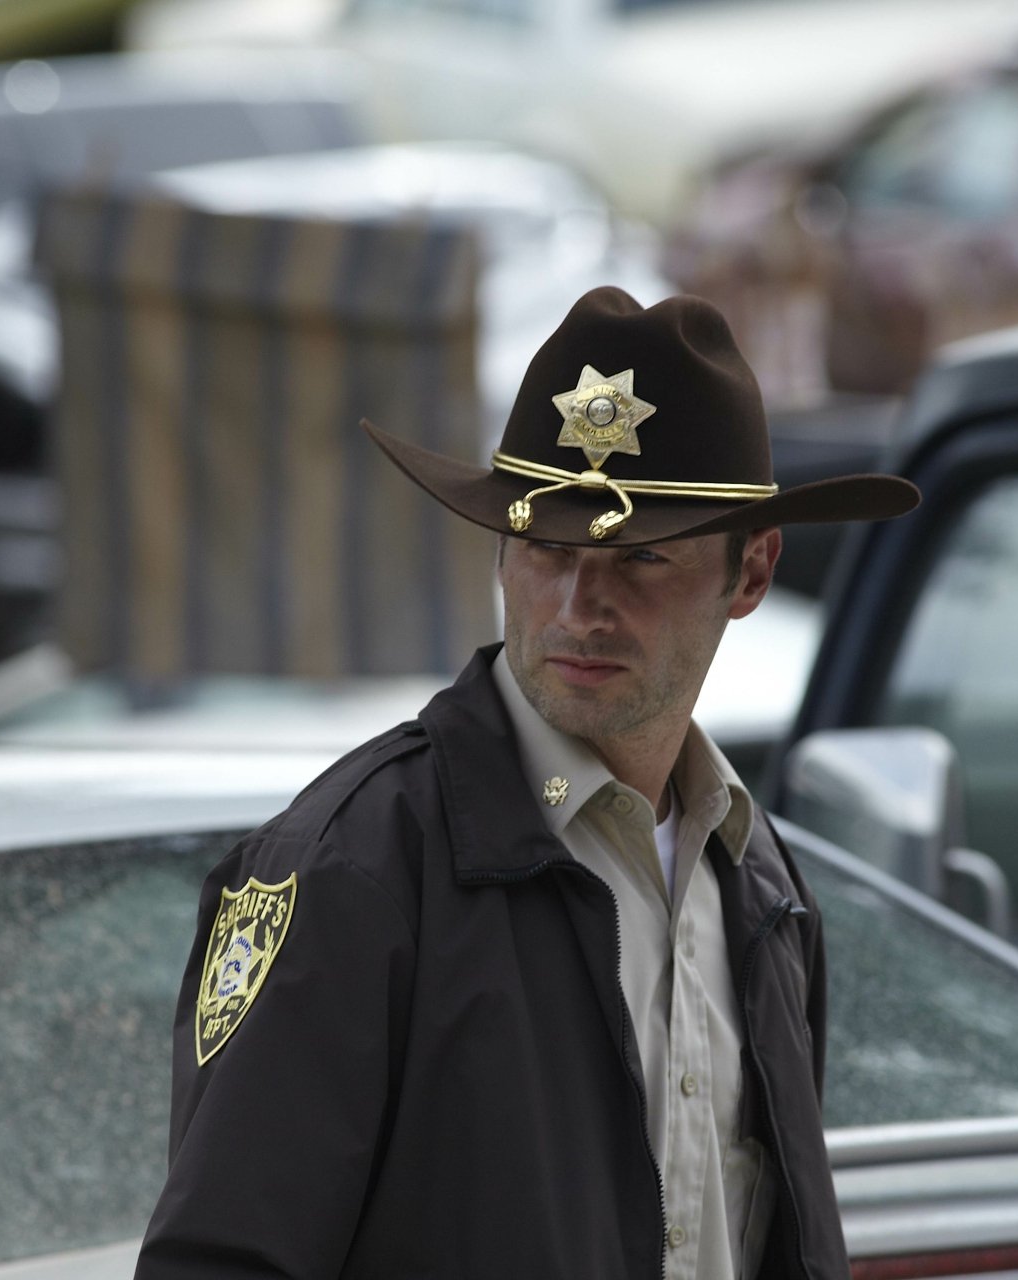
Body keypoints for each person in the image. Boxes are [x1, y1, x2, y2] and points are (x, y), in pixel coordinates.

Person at [134, 287, 918, 1280]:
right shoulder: (350, 870)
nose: (582, 603)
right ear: (503, 547)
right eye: (549, 547)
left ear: (751, 571)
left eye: (640, 559)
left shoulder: (762, 887)